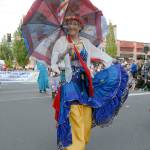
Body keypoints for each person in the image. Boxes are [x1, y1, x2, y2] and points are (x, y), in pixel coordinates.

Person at [51, 16, 129, 150]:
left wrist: (113, 61)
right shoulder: (61, 42)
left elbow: (99, 54)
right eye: (69, 24)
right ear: (66, 27)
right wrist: (65, 51)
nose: (72, 26)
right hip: (70, 83)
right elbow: (54, 62)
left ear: (80, 27)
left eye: (75, 24)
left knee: (86, 120)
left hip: (86, 83)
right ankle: (75, 147)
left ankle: (79, 143)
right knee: (75, 113)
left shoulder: (86, 42)